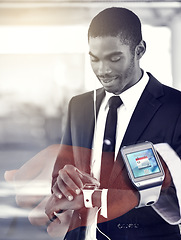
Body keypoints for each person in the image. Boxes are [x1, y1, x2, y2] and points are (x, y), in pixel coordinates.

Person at [45, 7, 181, 240]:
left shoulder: (175, 107)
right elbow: (60, 178)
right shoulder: (79, 106)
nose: (102, 70)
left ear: (139, 50)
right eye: (94, 59)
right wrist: (63, 185)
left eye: (114, 58)